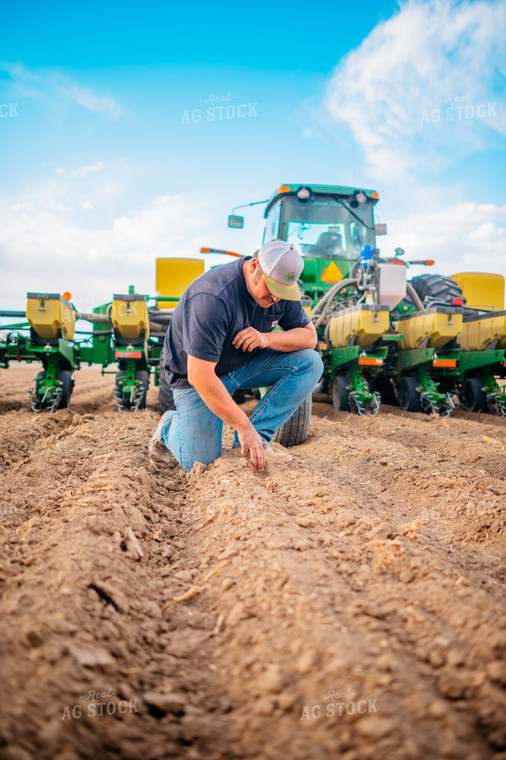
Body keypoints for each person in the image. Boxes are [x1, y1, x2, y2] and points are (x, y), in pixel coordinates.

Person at [148, 240, 323, 472]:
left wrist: (266, 338)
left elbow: (310, 338)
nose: (276, 298)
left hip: (242, 366)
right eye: (271, 289)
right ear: (253, 267)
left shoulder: (280, 293)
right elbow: (200, 376)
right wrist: (244, 427)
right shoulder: (212, 297)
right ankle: (169, 425)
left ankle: (258, 439)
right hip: (197, 378)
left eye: (283, 292)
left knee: (310, 362)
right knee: (199, 461)